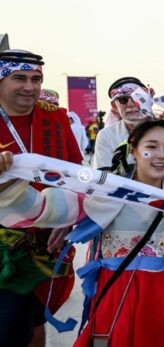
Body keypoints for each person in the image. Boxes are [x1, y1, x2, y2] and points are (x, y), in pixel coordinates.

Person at [0, 120, 164, 347]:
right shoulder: (108, 194)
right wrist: (5, 183)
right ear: (133, 152)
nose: (162, 154)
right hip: (118, 296)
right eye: (152, 146)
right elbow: (43, 208)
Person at [0, 49, 83, 347]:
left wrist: (70, 218)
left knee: (37, 324)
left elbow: (77, 175)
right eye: (19, 78)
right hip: (4, 250)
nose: (30, 87)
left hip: (49, 243)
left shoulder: (56, 119)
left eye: (36, 79)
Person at [93, 77, 151, 170]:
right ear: (115, 106)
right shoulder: (106, 135)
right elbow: (105, 175)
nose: (131, 104)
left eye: (138, 98)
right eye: (123, 100)